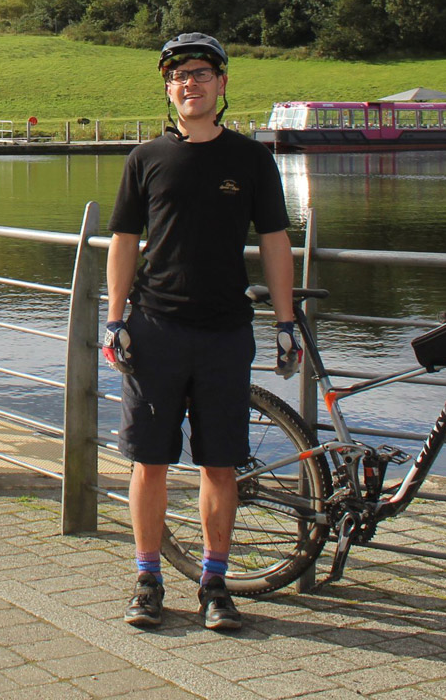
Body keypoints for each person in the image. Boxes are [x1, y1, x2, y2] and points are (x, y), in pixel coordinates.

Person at [103, 32, 296, 633]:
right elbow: (124, 242)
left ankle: (214, 580)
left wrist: (285, 321)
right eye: (179, 76)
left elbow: (274, 242)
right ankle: (148, 579)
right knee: (149, 462)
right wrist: (113, 321)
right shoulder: (146, 159)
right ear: (169, 89)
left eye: (201, 74)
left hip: (224, 331)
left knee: (220, 465)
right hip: (154, 327)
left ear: (222, 84)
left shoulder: (251, 160)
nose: (190, 83)